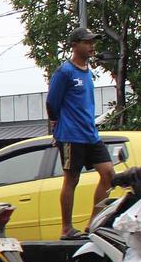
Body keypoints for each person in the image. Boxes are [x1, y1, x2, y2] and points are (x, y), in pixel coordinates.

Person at [47, 27, 113, 239]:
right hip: (71, 135)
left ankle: (93, 223)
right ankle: (66, 228)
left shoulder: (87, 72)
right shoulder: (65, 72)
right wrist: (58, 123)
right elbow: (51, 103)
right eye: (87, 42)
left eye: (93, 42)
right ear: (74, 45)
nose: (92, 46)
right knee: (71, 180)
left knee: (109, 175)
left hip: (90, 134)